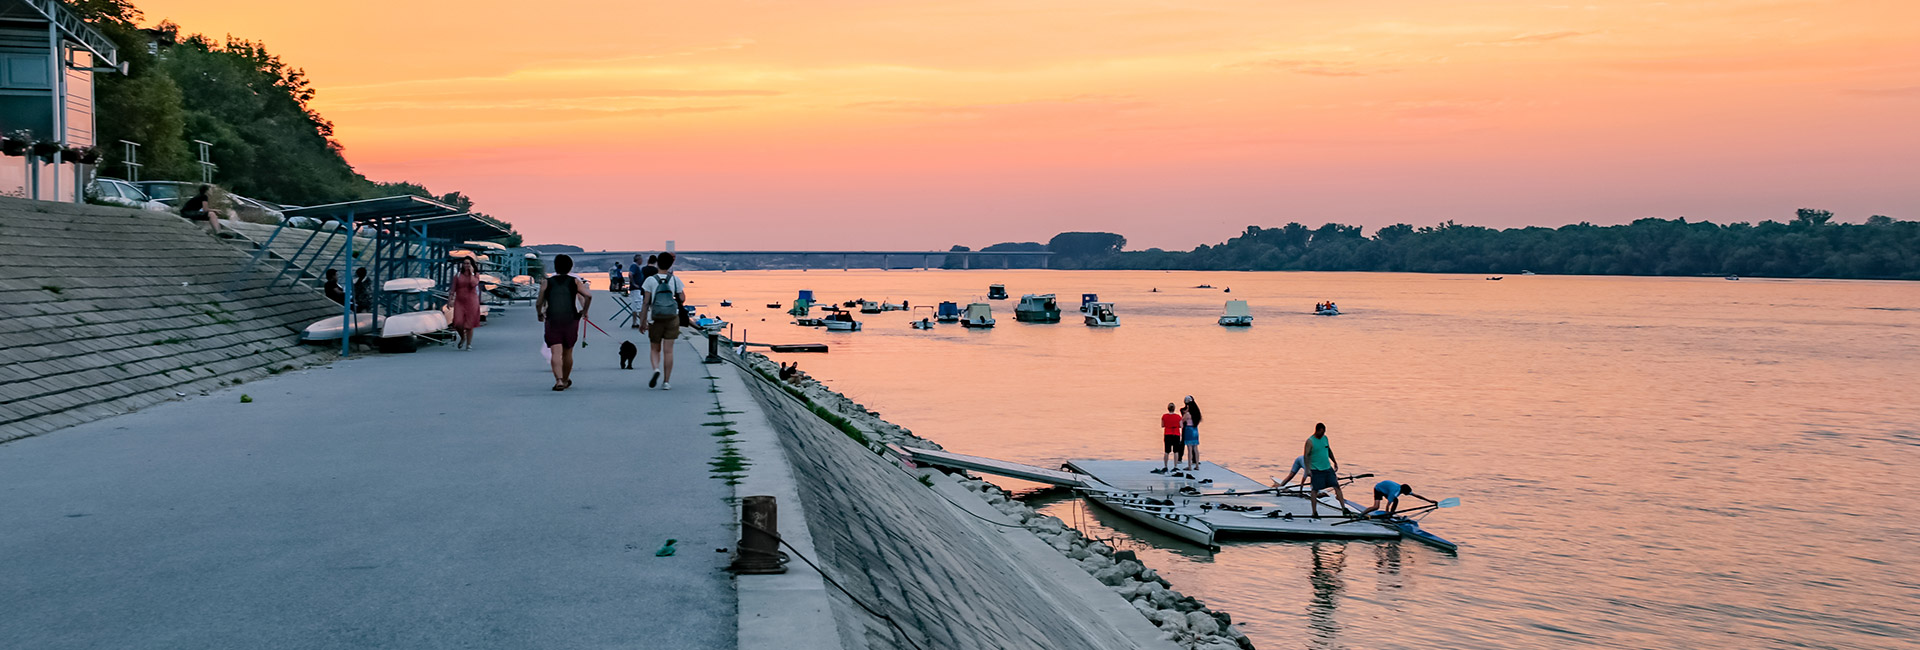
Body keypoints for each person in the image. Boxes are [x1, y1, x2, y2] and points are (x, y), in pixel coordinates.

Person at [536, 254, 590, 391]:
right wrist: (584, 310)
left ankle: (559, 380)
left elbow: (539, 302)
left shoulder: (547, 282)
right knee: (568, 352)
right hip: (570, 319)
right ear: (570, 267)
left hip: (553, 319)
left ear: (555, 266)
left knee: (555, 351)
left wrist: (540, 313)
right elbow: (588, 295)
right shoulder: (575, 281)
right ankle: (565, 379)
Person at [637, 251, 686, 390]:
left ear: (657, 263)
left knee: (655, 348)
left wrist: (642, 321)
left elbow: (646, 303)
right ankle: (666, 382)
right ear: (671, 265)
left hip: (655, 318)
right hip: (672, 317)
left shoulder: (650, 280)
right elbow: (682, 298)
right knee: (668, 351)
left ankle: (656, 369)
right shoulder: (675, 280)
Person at [1303, 423, 1352, 518]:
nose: (1322, 434)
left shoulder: (1325, 438)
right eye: (1321, 432)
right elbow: (1306, 456)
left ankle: (1343, 509)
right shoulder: (1310, 441)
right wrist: (1308, 469)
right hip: (1316, 469)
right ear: (1316, 430)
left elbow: (1329, 450)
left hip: (1327, 468)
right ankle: (1314, 512)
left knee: (1336, 486)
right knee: (1315, 490)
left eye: (1324, 432)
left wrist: (1334, 461)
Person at [449, 257, 484, 350]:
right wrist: (450, 299)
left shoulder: (476, 275)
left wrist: (472, 273)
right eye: (465, 263)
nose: (466, 265)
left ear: (472, 265)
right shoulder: (458, 275)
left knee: (469, 323)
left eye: (468, 263)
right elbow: (453, 287)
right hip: (460, 301)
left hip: (471, 301)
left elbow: (473, 284)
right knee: (457, 322)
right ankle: (462, 337)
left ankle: (468, 344)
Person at [1358, 480, 1433, 517]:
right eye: (1407, 493)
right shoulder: (1394, 492)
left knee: (1396, 500)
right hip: (1378, 488)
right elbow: (1387, 506)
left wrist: (1430, 501)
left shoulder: (1403, 489)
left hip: (1386, 489)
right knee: (1376, 507)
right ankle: (1361, 514)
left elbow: (1417, 496)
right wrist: (1386, 515)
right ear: (1403, 491)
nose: (1408, 494)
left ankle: (1391, 514)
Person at [1154, 403, 1183, 473]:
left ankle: (1165, 466)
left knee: (1167, 451)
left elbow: (1162, 425)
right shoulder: (1178, 417)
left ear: (1168, 408)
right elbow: (1181, 426)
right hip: (1176, 434)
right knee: (1176, 451)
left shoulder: (1164, 416)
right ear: (1174, 408)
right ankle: (1175, 466)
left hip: (1167, 434)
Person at [1182, 395, 1203, 471]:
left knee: (1189, 449)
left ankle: (1189, 466)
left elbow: (1182, 421)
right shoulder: (1197, 413)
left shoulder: (1188, 414)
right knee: (1196, 448)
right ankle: (1197, 465)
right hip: (1195, 429)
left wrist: (1186, 412)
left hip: (1189, 429)